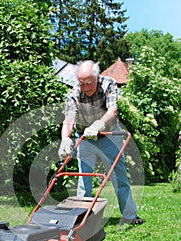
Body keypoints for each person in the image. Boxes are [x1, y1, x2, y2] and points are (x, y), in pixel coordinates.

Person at [58, 60, 144, 224]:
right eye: (82, 83)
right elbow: (69, 119)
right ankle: (81, 220)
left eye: (89, 83)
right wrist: (65, 139)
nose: (85, 88)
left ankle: (130, 217)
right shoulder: (74, 94)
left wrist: (98, 125)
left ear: (97, 78)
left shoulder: (109, 84)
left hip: (109, 135)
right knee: (84, 178)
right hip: (84, 138)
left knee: (119, 177)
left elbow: (112, 110)